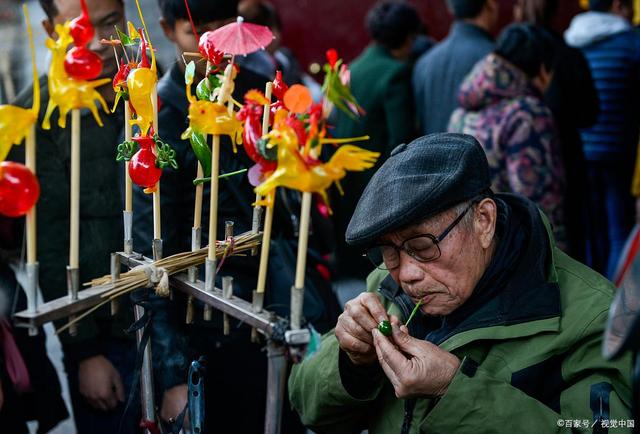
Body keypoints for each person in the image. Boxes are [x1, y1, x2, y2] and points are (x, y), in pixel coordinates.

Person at [288, 133, 632, 433]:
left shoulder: (593, 318)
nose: (406, 272)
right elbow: (307, 407)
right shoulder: (386, 284)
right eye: (388, 252)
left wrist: (453, 389)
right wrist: (351, 362)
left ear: (483, 220)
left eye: (422, 247)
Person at [139, 0, 341, 431]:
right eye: (198, 34)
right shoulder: (159, 117)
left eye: (222, 30)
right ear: (168, 30)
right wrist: (172, 373)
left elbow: (291, 206)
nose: (214, 48)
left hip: (280, 306)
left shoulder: (262, 94)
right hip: (207, 323)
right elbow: (149, 254)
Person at [7, 1, 152, 433]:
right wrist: (82, 351)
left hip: (175, 318)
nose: (97, 42)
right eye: (78, 29)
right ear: (51, 28)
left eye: (109, 24)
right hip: (103, 339)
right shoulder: (36, 114)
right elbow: (46, 245)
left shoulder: (153, 90)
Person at [331, 1, 421, 296]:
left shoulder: (352, 67)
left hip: (342, 179)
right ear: (408, 37)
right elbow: (401, 141)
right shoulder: (395, 72)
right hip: (377, 186)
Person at [448, 24, 566, 247]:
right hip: (516, 250)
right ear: (542, 69)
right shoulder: (528, 114)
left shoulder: (461, 113)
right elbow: (538, 200)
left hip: (472, 243)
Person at [514, 0, 598, 264]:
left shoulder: (510, 56)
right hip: (567, 160)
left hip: (519, 165)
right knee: (571, 241)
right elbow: (589, 115)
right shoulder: (568, 55)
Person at [564, 0, 640, 278]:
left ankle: (593, 294)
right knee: (619, 229)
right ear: (618, 5)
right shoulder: (632, 43)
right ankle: (616, 301)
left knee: (590, 231)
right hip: (619, 152)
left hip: (579, 152)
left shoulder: (570, 40)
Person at [412, 0, 497, 135]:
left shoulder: (424, 63)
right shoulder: (494, 60)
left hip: (431, 154)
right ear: (490, 4)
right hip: (477, 154)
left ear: (451, 9)